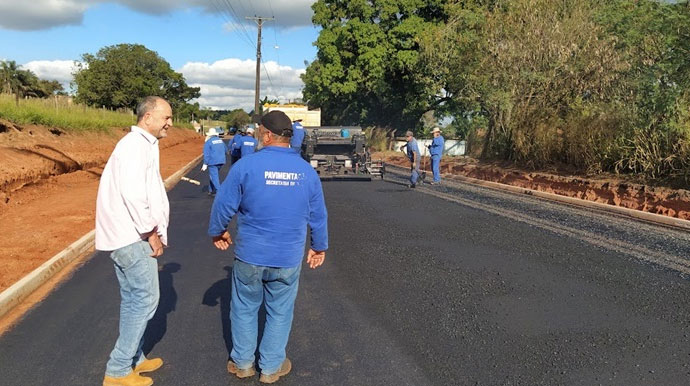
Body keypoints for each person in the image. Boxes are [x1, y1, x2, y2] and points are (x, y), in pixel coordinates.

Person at [208, 110, 328, 384]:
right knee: (280, 311)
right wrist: (319, 246)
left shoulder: (246, 167)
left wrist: (219, 231)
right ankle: (272, 367)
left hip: (251, 255)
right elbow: (318, 214)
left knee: (244, 308)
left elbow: (223, 204)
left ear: (267, 134)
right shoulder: (306, 172)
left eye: (260, 130)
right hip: (287, 258)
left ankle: (242, 364)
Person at [96, 96, 172, 386]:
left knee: (133, 300)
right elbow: (133, 194)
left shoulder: (143, 145)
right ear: (148, 117)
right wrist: (151, 233)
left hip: (129, 235)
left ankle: (133, 358)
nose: (170, 123)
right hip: (131, 236)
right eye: (165, 117)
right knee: (145, 300)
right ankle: (117, 370)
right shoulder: (133, 146)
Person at [201, 127, 227, 196]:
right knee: (213, 175)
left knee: (214, 177)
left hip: (213, 162)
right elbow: (226, 150)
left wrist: (205, 164)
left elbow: (206, 154)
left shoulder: (208, 142)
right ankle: (211, 190)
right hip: (221, 161)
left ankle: (220, 192)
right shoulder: (220, 140)